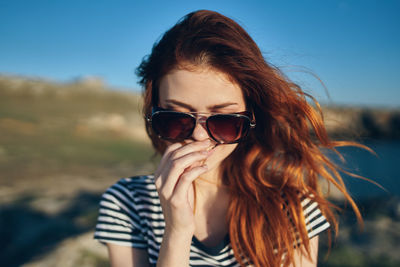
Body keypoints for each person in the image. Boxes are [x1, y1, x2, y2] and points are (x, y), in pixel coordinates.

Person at [94, 10, 363, 267]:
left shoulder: (292, 206)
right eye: (176, 118)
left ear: (251, 119)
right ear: (153, 115)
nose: (199, 135)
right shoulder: (126, 202)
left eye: (225, 121)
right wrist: (177, 231)